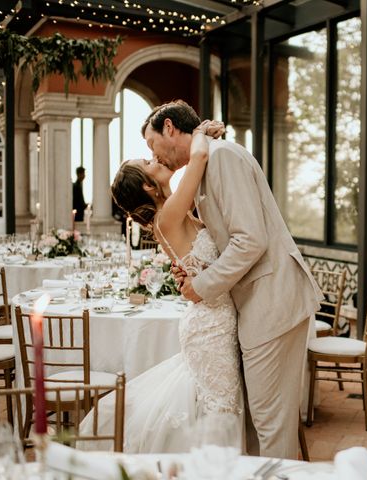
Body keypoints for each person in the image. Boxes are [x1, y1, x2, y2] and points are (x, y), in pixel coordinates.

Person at [141, 100, 323, 459]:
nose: (155, 156)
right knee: (260, 423)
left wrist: (201, 286)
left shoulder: (221, 157)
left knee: (270, 426)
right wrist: (196, 270)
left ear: (168, 128)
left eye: (151, 146)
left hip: (271, 303)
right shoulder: (209, 161)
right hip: (255, 306)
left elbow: (249, 239)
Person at [79, 123, 243, 453]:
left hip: (212, 319)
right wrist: (199, 129)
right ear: (147, 186)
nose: (156, 158)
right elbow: (197, 156)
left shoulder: (170, 212)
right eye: (149, 162)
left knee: (218, 409)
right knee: (221, 411)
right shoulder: (167, 215)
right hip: (211, 325)